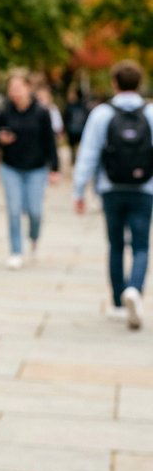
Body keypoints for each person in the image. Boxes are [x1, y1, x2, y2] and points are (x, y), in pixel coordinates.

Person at [73, 60, 153, 329]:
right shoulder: (151, 112)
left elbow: (89, 153)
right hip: (144, 189)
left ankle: (119, 303)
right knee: (141, 245)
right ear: (139, 84)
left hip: (111, 188)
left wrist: (79, 189)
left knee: (116, 244)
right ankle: (134, 288)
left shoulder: (102, 113)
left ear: (114, 83)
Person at [0, 72, 60, 269]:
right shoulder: (5, 111)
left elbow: (50, 142)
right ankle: (16, 251)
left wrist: (55, 168)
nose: (15, 93)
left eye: (18, 88)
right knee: (13, 210)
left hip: (36, 169)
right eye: (11, 89)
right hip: (11, 167)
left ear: (29, 88)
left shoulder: (42, 112)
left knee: (35, 211)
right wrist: (0, 139)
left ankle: (34, 236)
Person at [64, 86, 93, 164]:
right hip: (82, 130)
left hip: (72, 130)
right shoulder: (85, 106)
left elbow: (66, 118)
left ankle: (74, 158)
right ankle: (79, 159)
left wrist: (66, 129)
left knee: (72, 147)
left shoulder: (70, 106)